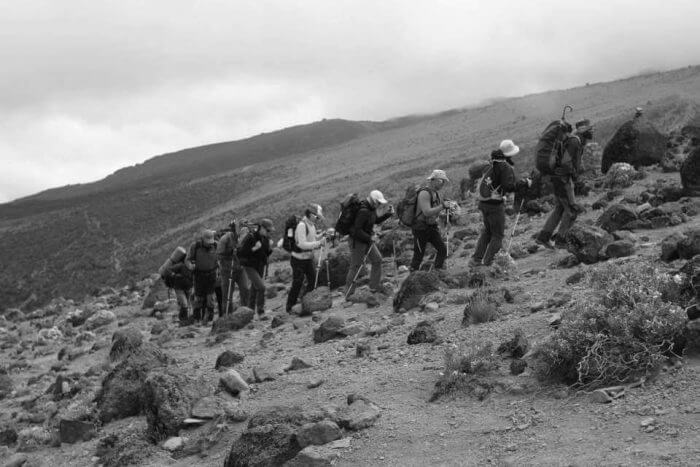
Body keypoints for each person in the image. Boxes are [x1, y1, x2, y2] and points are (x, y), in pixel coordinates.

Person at [535, 120, 594, 249]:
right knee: (572, 210)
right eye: (590, 129)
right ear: (583, 130)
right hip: (564, 181)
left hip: (556, 179)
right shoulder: (574, 141)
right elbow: (566, 162)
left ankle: (543, 237)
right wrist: (574, 175)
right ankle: (561, 240)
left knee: (560, 208)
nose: (592, 131)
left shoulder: (570, 140)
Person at [469, 140, 528, 267]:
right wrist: (524, 183)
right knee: (498, 235)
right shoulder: (504, 166)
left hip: (484, 203)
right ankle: (488, 263)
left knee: (488, 232)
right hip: (494, 205)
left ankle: (476, 259)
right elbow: (509, 186)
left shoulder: (492, 163)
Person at [345, 190, 394, 296]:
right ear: (373, 200)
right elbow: (357, 230)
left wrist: (388, 214)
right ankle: (349, 293)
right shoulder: (364, 211)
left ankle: (374, 287)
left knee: (377, 259)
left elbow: (374, 220)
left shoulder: (370, 208)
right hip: (357, 241)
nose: (379, 204)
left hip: (367, 239)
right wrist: (370, 238)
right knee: (356, 266)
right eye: (378, 202)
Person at [286, 203, 325, 312]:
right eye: (316, 216)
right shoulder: (302, 225)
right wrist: (318, 243)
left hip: (307, 258)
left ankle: (305, 301)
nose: (317, 218)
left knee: (312, 280)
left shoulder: (311, 225)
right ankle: (290, 307)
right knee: (297, 283)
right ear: (311, 214)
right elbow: (302, 244)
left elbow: (312, 238)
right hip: (298, 259)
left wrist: (320, 236)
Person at [411, 170, 451, 271]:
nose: (443, 184)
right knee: (418, 255)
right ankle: (412, 279)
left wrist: (445, 216)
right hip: (420, 229)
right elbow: (427, 212)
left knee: (442, 250)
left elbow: (435, 211)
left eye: (444, 181)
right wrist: (442, 206)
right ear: (433, 180)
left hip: (431, 227)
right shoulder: (424, 193)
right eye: (441, 181)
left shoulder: (435, 193)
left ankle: (438, 271)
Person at [237, 218, 275, 317]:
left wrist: (270, 248)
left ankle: (250, 312)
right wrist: (254, 248)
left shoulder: (265, 238)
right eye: (267, 230)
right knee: (261, 287)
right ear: (261, 228)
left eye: (270, 231)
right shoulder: (251, 237)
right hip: (249, 266)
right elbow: (241, 253)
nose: (269, 232)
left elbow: (265, 254)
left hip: (260, 265)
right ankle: (261, 311)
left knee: (255, 288)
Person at [185, 229, 219, 325]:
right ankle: (196, 319)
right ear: (202, 239)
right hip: (199, 275)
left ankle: (209, 320)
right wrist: (190, 266)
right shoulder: (195, 246)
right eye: (207, 242)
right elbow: (187, 260)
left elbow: (220, 257)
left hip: (212, 275)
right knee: (198, 298)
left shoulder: (216, 246)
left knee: (210, 298)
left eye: (210, 242)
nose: (209, 244)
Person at [217, 219, 250, 316]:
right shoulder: (225, 239)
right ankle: (227, 314)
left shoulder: (246, 238)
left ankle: (246, 312)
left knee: (245, 289)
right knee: (227, 295)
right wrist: (230, 252)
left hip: (240, 268)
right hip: (227, 270)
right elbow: (218, 255)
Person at [159, 246, 193, 325]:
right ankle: (183, 320)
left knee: (187, 304)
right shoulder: (181, 266)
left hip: (188, 288)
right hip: (179, 288)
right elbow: (168, 270)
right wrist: (174, 275)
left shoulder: (192, 267)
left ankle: (184, 319)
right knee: (185, 304)